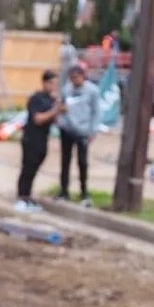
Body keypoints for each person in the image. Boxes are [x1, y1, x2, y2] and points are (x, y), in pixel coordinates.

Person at [16, 69, 64, 212]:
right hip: (32, 138)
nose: (54, 86)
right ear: (45, 83)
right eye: (52, 83)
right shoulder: (36, 98)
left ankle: (28, 195)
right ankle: (22, 196)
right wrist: (56, 110)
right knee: (28, 167)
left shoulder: (51, 100)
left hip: (43, 138)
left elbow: (53, 120)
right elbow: (38, 119)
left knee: (35, 167)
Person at [56, 64, 101, 206]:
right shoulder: (67, 90)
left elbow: (96, 111)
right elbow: (61, 107)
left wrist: (93, 131)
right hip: (67, 129)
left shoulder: (92, 91)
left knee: (82, 162)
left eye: (76, 77)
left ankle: (84, 192)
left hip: (83, 130)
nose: (74, 81)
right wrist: (62, 123)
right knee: (65, 161)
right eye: (71, 78)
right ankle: (64, 190)